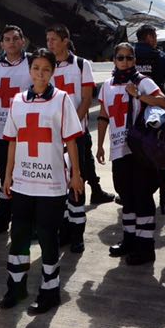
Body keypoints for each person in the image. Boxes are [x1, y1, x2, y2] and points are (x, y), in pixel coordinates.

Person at [0, 48, 85, 313]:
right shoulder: (17, 100)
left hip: (51, 183)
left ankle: (50, 290)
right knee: (20, 234)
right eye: (36, 68)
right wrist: (8, 175)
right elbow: (12, 141)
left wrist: (77, 175)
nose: (40, 73)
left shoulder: (61, 100)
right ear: (30, 70)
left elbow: (71, 140)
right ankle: (16, 286)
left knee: (48, 236)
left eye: (45, 69)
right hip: (23, 181)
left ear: (52, 72)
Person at [97, 42, 165, 265]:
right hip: (118, 150)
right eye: (121, 58)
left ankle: (146, 248)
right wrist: (99, 145)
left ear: (135, 60)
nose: (125, 62)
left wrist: (139, 96)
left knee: (143, 197)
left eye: (129, 58)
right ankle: (129, 240)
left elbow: (163, 102)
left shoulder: (143, 82)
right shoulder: (107, 85)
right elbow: (103, 116)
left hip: (140, 151)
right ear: (114, 60)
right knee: (126, 197)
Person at [47, 24, 107, 254]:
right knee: (57, 185)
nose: (50, 43)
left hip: (75, 136)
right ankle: (63, 229)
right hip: (52, 137)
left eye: (53, 39)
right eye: (48, 39)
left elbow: (85, 100)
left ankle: (77, 234)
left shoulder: (82, 65)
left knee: (76, 181)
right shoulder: (47, 65)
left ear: (65, 40)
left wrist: (70, 128)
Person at [0, 25, 30, 238]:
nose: (11, 42)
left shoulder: (32, 63)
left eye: (15, 38)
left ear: (23, 41)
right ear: (1, 44)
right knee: (6, 178)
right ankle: (2, 219)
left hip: (28, 134)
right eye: (7, 39)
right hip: (1, 134)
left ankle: (26, 222)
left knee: (28, 179)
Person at [133, 24, 165, 214]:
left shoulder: (129, 54)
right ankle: (163, 194)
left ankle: (137, 192)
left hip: (135, 110)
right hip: (155, 110)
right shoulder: (157, 55)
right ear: (150, 37)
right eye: (154, 36)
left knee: (137, 151)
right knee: (160, 149)